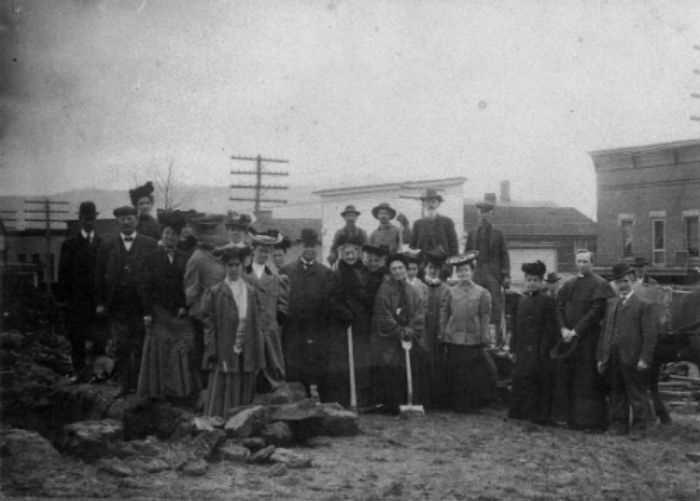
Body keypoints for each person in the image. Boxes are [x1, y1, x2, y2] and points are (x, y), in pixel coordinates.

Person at [137, 210, 200, 400]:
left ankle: (182, 390)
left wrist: (183, 305)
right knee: (160, 347)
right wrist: (147, 312)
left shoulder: (185, 257)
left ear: (178, 237)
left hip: (179, 312)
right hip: (158, 312)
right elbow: (144, 286)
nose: (168, 237)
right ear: (161, 235)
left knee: (185, 342)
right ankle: (159, 390)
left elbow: (188, 285)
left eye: (172, 234)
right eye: (166, 234)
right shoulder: (151, 257)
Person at [95, 206, 158, 397]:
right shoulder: (107, 245)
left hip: (141, 304)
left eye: (130, 218)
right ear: (117, 222)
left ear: (137, 221)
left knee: (139, 346)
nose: (126, 222)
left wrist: (150, 308)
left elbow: (155, 277)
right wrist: (100, 302)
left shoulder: (150, 244)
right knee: (121, 346)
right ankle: (123, 384)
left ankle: (139, 385)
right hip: (118, 304)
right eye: (122, 219)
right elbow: (98, 276)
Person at [553, 249, 614, 431]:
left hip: (589, 341)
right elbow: (559, 307)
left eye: (585, 262)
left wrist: (576, 331)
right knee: (570, 379)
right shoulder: (569, 283)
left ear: (592, 263)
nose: (581, 265)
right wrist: (563, 328)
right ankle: (573, 419)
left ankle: (592, 422)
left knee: (588, 381)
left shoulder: (600, 284)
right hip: (569, 340)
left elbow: (596, 312)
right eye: (579, 261)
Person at [201, 246, 264, 416]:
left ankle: (243, 419)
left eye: (237, 265)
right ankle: (220, 416)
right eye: (230, 265)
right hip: (225, 344)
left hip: (247, 343)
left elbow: (256, 322)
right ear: (225, 267)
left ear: (242, 266)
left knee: (244, 376)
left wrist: (258, 347)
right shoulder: (215, 292)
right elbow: (209, 323)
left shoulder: (250, 291)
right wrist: (211, 347)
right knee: (226, 378)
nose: (234, 269)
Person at [597, 263, 657, 439]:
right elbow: (605, 332)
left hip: (633, 356)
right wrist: (601, 356)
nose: (622, 285)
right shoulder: (611, 304)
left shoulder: (644, 305)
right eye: (618, 282)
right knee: (617, 392)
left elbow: (650, 335)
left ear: (632, 281)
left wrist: (644, 359)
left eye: (625, 281)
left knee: (636, 393)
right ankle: (619, 425)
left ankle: (639, 428)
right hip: (613, 356)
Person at [439, 251, 496, 412]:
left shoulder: (482, 293)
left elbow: (485, 316)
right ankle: (456, 403)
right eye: (460, 271)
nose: (463, 273)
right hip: (454, 338)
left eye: (466, 270)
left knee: (472, 373)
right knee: (456, 371)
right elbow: (445, 313)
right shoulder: (450, 291)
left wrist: (484, 336)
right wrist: (442, 333)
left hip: (473, 338)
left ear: (472, 271)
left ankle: (471, 404)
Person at [280, 228, 334, 399]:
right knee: (295, 363)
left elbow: (328, 301)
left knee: (316, 362)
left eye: (313, 246)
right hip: (294, 327)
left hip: (316, 327)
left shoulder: (325, 272)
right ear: (300, 246)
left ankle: (321, 399)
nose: (309, 249)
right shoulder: (287, 270)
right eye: (306, 245)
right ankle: (298, 399)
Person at [370, 253, 427, 413]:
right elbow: (383, 313)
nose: (398, 271)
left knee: (413, 367)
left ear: (405, 268)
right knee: (392, 369)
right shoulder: (384, 289)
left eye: (400, 267)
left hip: (410, 336)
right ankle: (393, 405)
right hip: (391, 339)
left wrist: (410, 329)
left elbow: (420, 312)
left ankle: (411, 400)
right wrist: (398, 330)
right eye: (394, 268)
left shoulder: (413, 289)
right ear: (390, 271)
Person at [57, 201, 106, 382]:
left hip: (96, 302)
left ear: (96, 219)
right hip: (76, 301)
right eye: (85, 219)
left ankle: (99, 373)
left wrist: (104, 301)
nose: (89, 223)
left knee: (99, 338)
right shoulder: (69, 245)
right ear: (79, 219)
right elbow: (63, 274)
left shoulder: (102, 244)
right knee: (77, 338)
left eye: (92, 219)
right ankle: (79, 372)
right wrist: (64, 301)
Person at [327, 234, 374, 408]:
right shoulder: (337, 273)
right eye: (347, 254)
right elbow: (331, 298)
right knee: (345, 360)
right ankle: (345, 397)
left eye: (353, 253)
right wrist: (344, 312)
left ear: (358, 253)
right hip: (345, 323)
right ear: (342, 255)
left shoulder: (365, 272)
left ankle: (362, 397)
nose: (350, 256)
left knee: (362, 359)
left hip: (362, 322)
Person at [508, 261, 558, 424]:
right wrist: (513, 348)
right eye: (529, 280)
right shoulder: (520, 301)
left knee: (539, 383)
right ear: (525, 281)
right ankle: (519, 412)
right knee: (521, 380)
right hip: (522, 350)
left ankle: (539, 415)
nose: (531, 283)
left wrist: (542, 350)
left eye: (535, 280)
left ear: (541, 282)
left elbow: (550, 329)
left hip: (539, 351)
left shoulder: (548, 301)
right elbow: (515, 327)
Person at [184, 215, 227, 382]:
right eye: (206, 233)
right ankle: (202, 389)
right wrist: (198, 311)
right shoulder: (197, 257)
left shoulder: (222, 256)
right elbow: (190, 288)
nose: (211, 237)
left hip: (220, 312)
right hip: (202, 315)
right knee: (202, 351)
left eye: (213, 232)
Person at [244, 229, 289, 390]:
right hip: (250, 324)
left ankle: (273, 384)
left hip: (269, 325)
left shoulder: (275, 277)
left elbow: (282, 302)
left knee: (272, 357)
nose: (263, 254)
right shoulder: (244, 274)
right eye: (261, 251)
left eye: (267, 252)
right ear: (253, 251)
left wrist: (277, 317)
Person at [464, 193, 511, 347]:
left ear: (492, 214)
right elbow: (465, 256)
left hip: (493, 275)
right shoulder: (471, 234)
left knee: (495, 307)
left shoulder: (498, 235)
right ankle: (476, 339)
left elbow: (504, 257)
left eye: (487, 212)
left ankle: (497, 341)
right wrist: (468, 271)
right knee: (475, 305)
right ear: (478, 214)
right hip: (476, 274)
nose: (484, 215)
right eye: (481, 212)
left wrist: (506, 276)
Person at [423, 251, 450, 408]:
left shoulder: (445, 289)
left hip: (438, 332)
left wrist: (442, 331)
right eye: (430, 267)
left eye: (436, 268)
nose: (433, 271)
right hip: (424, 331)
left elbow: (445, 311)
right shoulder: (420, 286)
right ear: (425, 268)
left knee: (438, 363)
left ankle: (438, 399)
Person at [410, 188, 458, 257]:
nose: (430, 204)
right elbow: (413, 246)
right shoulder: (417, 224)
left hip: (442, 264)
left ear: (438, 204)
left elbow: (454, 247)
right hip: (423, 264)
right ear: (423, 205)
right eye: (427, 202)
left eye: (433, 201)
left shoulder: (447, 222)